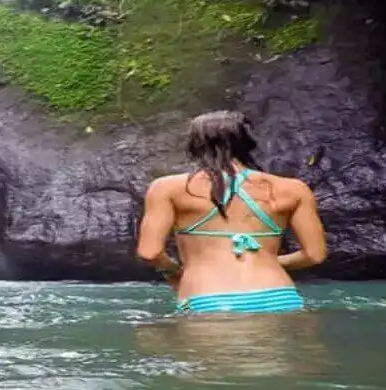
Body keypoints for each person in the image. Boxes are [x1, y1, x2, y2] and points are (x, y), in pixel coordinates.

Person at [134, 110, 326, 313]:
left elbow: (150, 252)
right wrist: (266, 260)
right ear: (248, 143)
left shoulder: (168, 188)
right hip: (280, 297)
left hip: (210, 298)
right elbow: (314, 255)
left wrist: (175, 271)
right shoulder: (294, 189)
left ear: (195, 145)